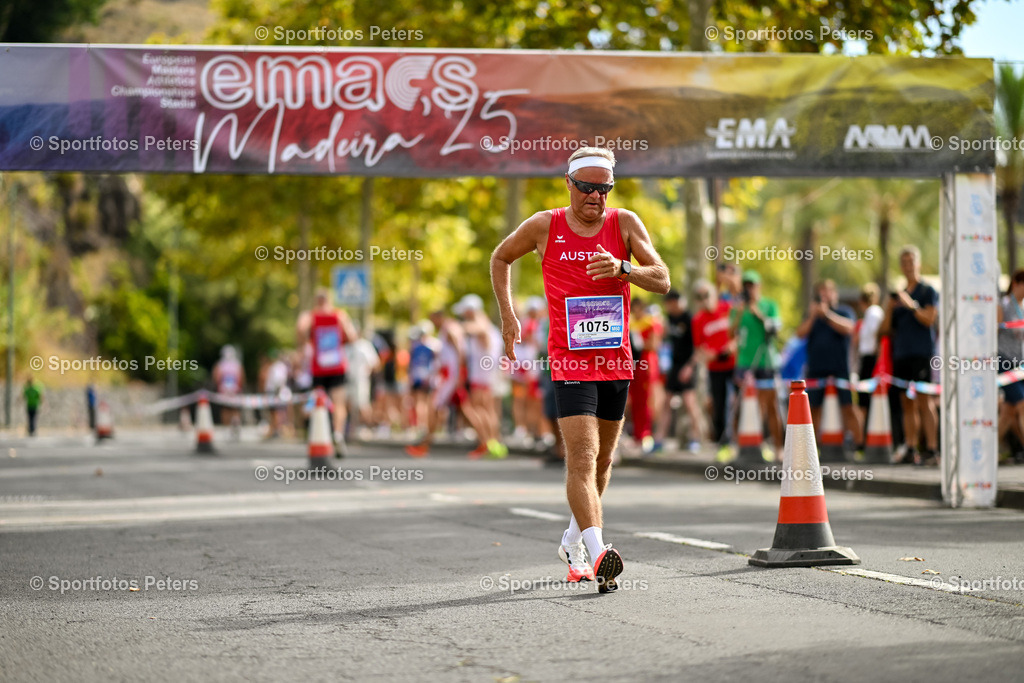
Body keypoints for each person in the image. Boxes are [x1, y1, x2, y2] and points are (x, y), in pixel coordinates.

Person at [490, 147, 670, 592]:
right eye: (587, 187)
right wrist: (508, 316)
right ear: (569, 184)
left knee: (605, 459)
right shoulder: (543, 225)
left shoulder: (623, 223)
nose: (595, 197)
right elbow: (500, 257)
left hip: (615, 358)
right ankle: (599, 549)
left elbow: (663, 279)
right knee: (583, 457)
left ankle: (572, 540)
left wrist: (625, 269)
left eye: (603, 188)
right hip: (569, 359)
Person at [880, 245, 939, 466]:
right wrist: (889, 308)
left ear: (918, 263)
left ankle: (932, 449)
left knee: (925, 400)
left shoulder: (927, 291)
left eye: (911, 261)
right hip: (901, 354)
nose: (908, 265)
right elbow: (885, 330)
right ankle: (910, 447)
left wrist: (911, 305)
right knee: (907, 403)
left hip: (922, 353)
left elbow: (929, 319)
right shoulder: (898, 295)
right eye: (904, 262)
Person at [796, 279, 864, 449]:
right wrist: (813, 316)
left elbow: (849, 328)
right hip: (816, 368)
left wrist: (827, 315)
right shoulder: (812, 315)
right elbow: (800, 334)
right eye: (822, 291)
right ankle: (811, 448)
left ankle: (860, 445)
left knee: (848, 407)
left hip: (840, 367)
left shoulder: (844, 311)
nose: (825, 295)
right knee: (813, 408)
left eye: (828, 291)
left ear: (835, 293)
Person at [297, 287, 358, 457]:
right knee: (339, 403)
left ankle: (317, 435)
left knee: (317, 402)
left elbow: (301, 330)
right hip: (337, 365)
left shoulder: (310, 316)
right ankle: (338, 433)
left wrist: (306, 343)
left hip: (318, 366)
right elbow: (352, 336)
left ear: (317, 300)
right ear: (330, 300)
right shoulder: (340, 315)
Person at [731, 270, 783, 457]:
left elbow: (775, 328)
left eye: (752, 285)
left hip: (766, 361)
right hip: (745, 363)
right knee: (742, 406)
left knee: (771, 405)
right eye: (746, 286)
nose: (749, 289)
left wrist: (756, 312)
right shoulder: (738, 308)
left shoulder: (769, 305)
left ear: (758, 286)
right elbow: (731, 333)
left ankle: (778, 447)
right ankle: (746, 447)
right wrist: (739, 311)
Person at [688, 280, 736, 460]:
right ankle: (724, 443)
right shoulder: (698, 320)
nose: (704, 300)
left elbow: (739, 332)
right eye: (699, 297)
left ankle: (745, 441)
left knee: (741, 401)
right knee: (719, 403)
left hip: (736, 364)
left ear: (714, 294)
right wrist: (716, 355)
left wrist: (732, 346)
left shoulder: (728, 308)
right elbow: (700, 348)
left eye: (706, 295)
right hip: (716, 367)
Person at [657, 289, 703, 453]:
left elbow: (699, 347)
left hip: (688, 364)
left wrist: (690, 367)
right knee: (666, 402)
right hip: (674, 365)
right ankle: (659, 440)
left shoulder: (690, 319)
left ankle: (695, 438)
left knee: (690, 403)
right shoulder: (669, 318)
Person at [628, 297, 662, 453]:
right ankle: (638, 434)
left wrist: (639, 340)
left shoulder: (651, 323)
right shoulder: (631, 323)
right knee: (636, 401)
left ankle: (647, 434)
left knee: (648, 400)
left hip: (647, 364)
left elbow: (654, 345)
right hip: (634, 365)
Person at [997, 269, 1024, 464]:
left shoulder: (1023, 306)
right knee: (1022, 405)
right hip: (1004, 360)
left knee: (1008, 412)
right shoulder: (1004, 304)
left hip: (1020, 362)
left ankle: (988, 448)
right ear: (1016, 283)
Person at [853, 283, 884, 430]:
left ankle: (867, 434)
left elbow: (877, 335)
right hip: (867, 359)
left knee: (867, 400)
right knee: (864, 399)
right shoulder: (869, 314)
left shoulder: (873, 313)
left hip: (871, 359)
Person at [212, 345, 245, 439]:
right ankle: (236, 425)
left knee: (225, 410)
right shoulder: (238, 365)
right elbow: (242, 378)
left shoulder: (220, 365)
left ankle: (227, 429)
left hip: (223, 391)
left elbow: (216, 378)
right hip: (236, 390)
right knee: (235, 410)